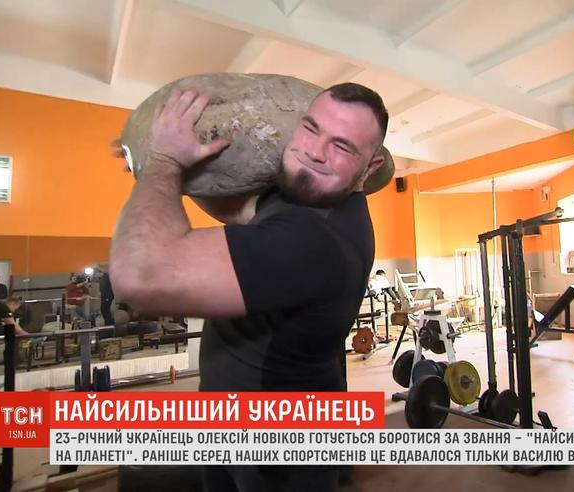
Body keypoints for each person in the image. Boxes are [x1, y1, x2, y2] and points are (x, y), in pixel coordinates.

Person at [110, 82, 388, 491]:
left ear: (371, 165)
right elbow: (240, 210)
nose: (314, 151)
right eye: (310, 128)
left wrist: (163, 162)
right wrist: (154, 167)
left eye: (342, 146)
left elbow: (139, 275)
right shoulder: (308, 198)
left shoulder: (313, 243)